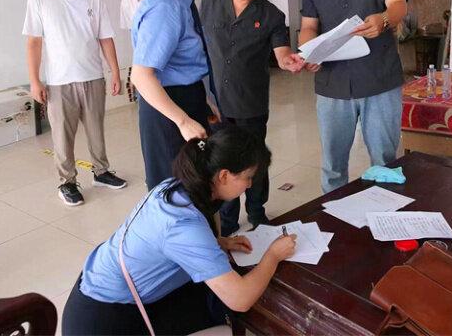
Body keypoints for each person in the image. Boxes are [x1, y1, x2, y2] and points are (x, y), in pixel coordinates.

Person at [62, 126, 297, 336]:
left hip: (98, 291)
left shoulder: (174, 187)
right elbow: (240, 299)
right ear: (224, 175)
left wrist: (218, 243)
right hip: (104, 321)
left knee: (208, 303)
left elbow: (169, 242)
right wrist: (273, 255)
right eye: (248, 177)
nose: (250, 184)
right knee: (223, 315)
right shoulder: (184, 224)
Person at [299, 0, 408, 193]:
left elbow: (398, 5)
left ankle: (385, 211)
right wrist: (308, 51)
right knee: (333, 165)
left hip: (378, 80)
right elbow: (308, 26)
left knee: (384, 162)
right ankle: (333, 214)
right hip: (332, 84)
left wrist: (383, 19)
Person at [200, 0, 305, 236]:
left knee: (253, 160)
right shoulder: (208, 6)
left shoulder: (271, 15)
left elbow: (281, 52)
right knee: (221, 162)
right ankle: (228, 219)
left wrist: (288, 61)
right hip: (214, 102)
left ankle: (257, 212)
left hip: (250, 103)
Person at [23, 0, 127, 206]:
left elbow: (105, 39)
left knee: (96, 130)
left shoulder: (93, 1)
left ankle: (101, 172)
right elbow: (34, 43)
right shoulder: (39, 0)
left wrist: (115, 72)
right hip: (59, 82)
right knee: (62, 136)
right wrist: (34, 80)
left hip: (92, 77)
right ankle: (67, 182)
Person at [131, 0, 224, 190]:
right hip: (168, 109)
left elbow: (180, 61)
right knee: (174, 190)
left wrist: (201, 99)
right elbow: (142, 76)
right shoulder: (165, 5)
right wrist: (182, 121)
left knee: (194, 185)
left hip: (184, 97)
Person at [120, 0, 158, 102]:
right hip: (144, 67)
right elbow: (135, 41)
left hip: (170, 65)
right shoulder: (127, 3)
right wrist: (135, 72)